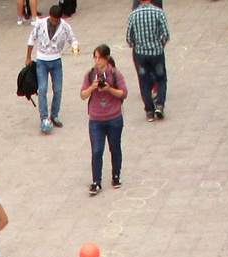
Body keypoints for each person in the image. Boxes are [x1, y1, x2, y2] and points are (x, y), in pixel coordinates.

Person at [80, 46, 127, 195]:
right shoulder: (90, 75)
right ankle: (96, 181)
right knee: (97, 150)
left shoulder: (115, 74)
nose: (97, 60)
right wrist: (92, 88)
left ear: (107, 58)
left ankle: (116, 175)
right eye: (95, 57)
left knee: (115, 147)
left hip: (114, 117)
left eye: (99, 57)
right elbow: (82, 95)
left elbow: (123, 93)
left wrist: (109, 89)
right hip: (96, 119)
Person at [26, 6, 76, 135]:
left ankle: (54, 115)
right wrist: (28, 57)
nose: (54, 22)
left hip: (56, 60)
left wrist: (75, 46)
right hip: (42, 60)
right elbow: (32, 39)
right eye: (52, 20)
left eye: (56, 20)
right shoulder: (41, 24)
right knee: (42, 89)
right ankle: (44, 118)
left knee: (58, 89)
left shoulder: (64, 26)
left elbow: (72, 38)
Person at [125, 0, 169, 120]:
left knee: (144, 81)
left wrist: (136, 45)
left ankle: (149, 110)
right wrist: (160, 45)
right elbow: (165, 35)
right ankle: (160, 104)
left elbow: (129, 38)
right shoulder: (158, 12)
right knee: (161, 78)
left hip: (140, 54)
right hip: (157, 52)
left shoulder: (133, 15)